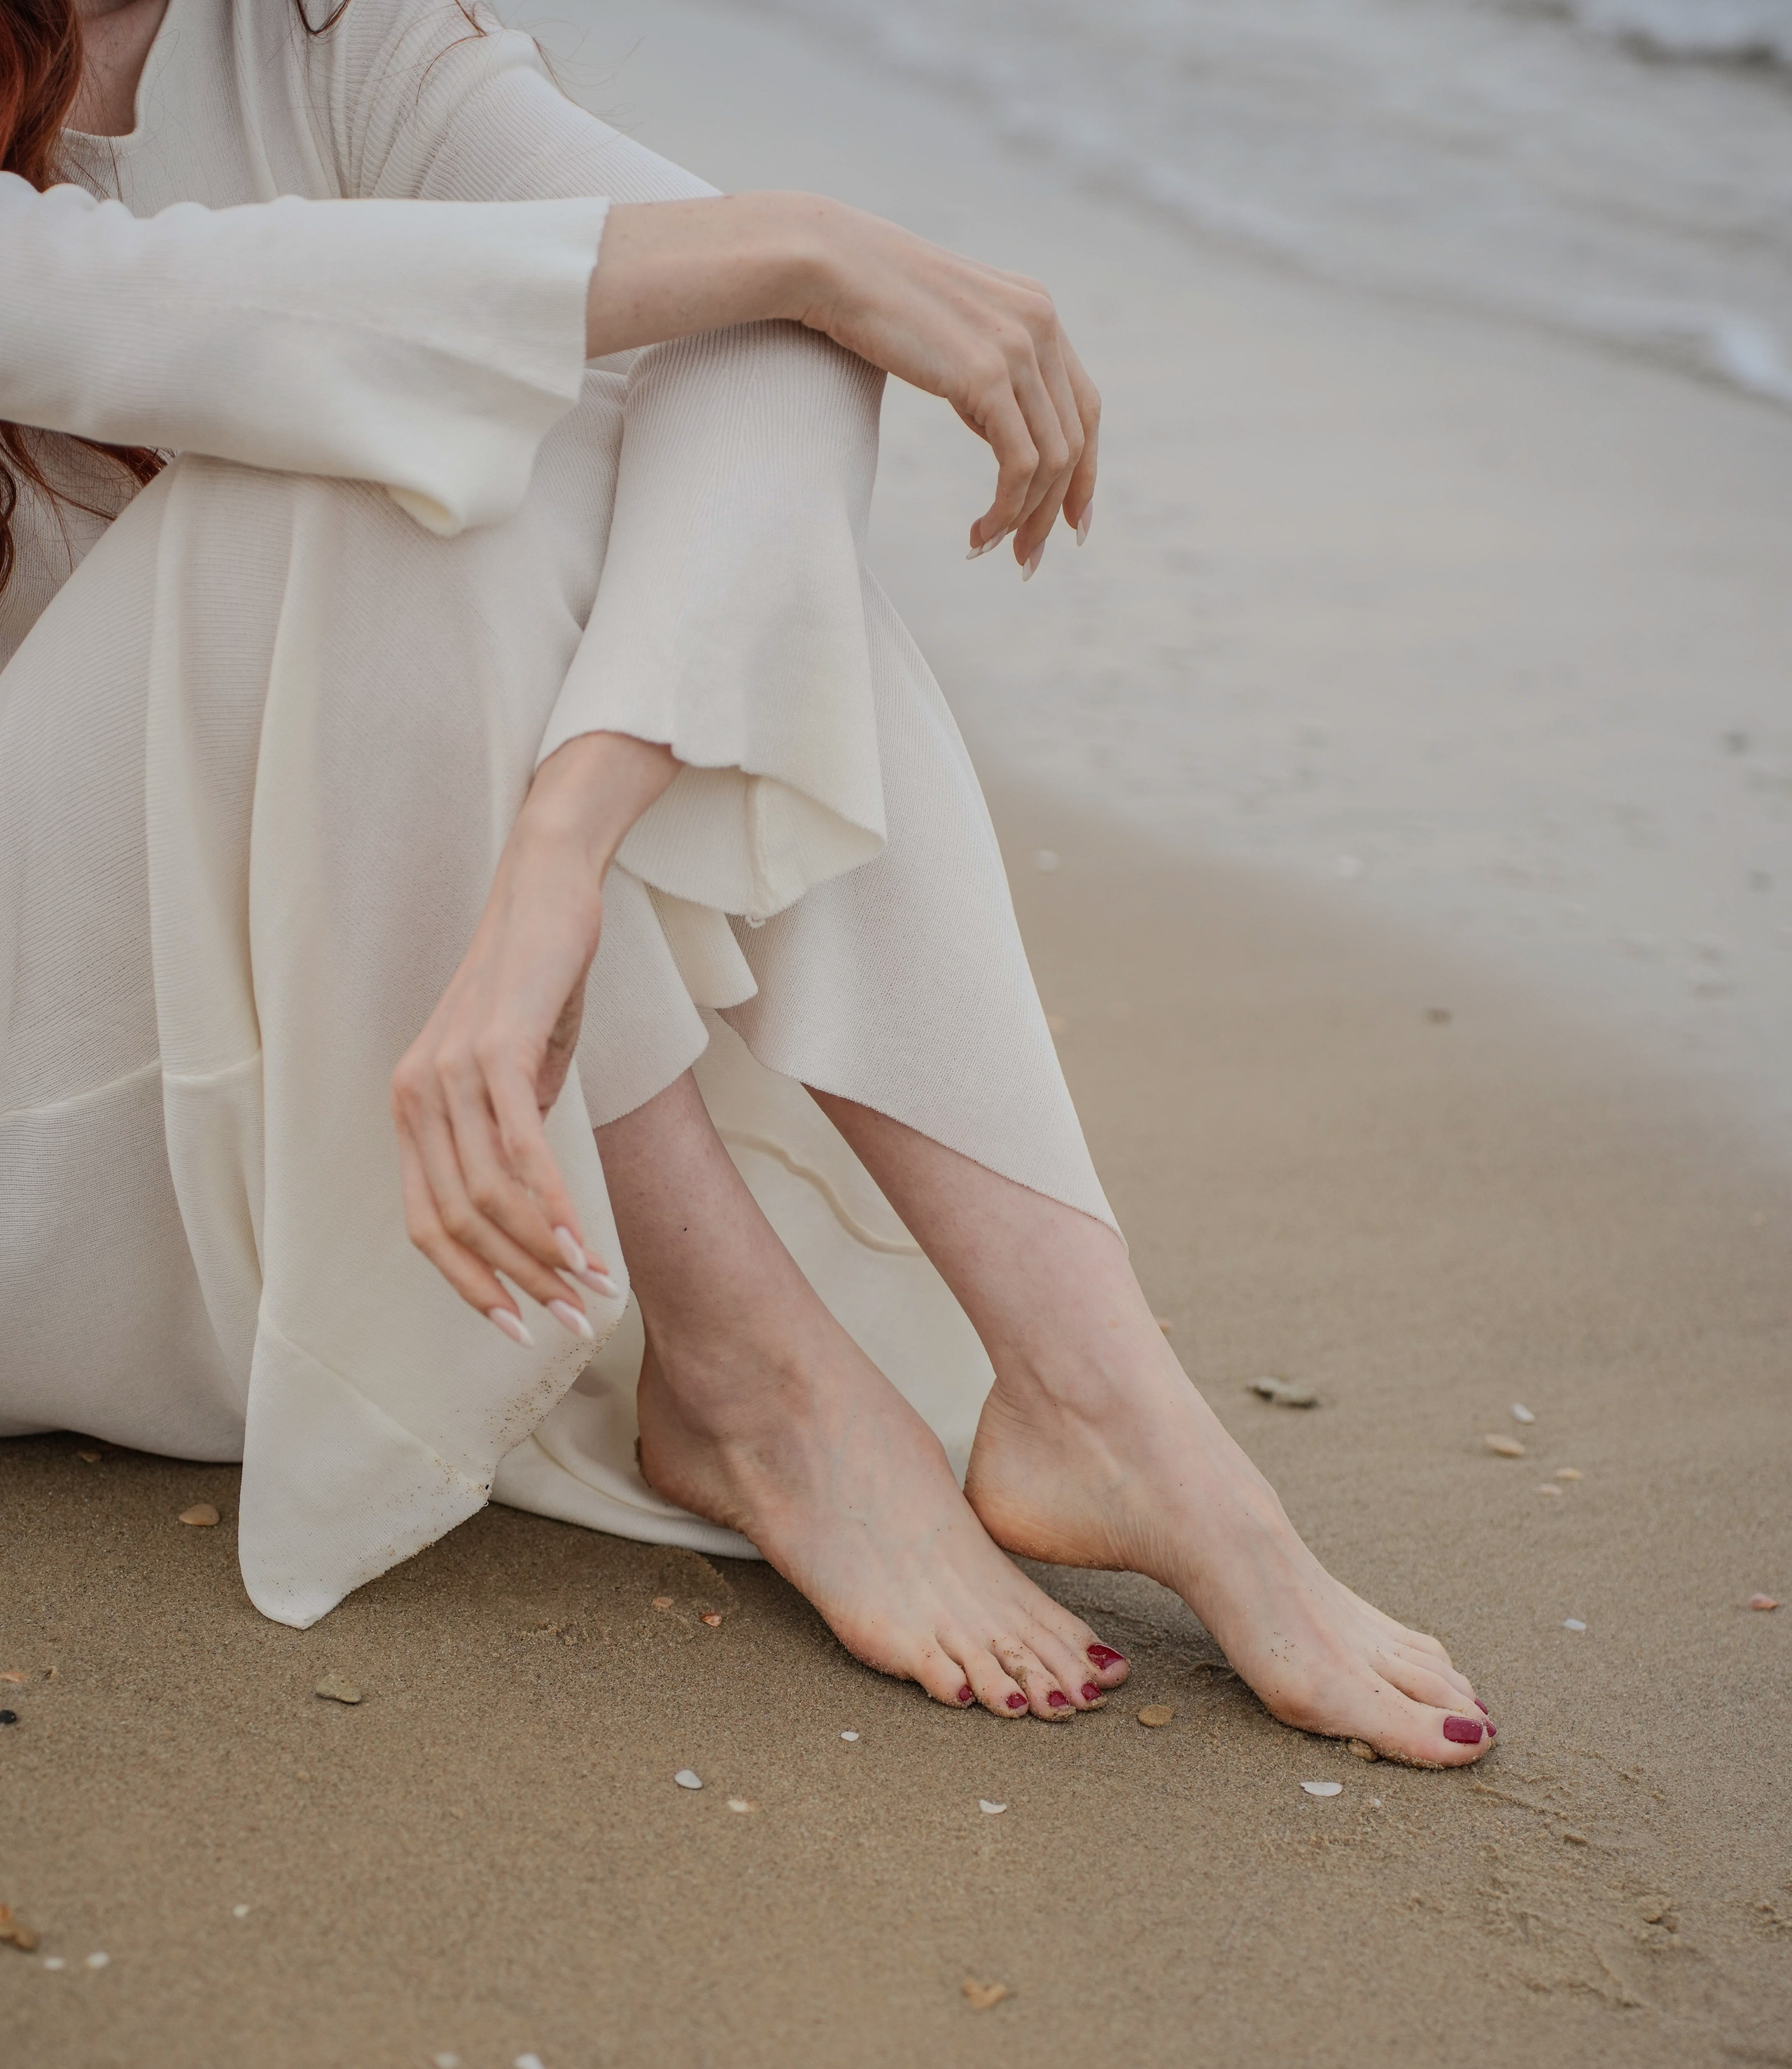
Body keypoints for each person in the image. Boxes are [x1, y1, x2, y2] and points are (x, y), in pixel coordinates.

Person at [0, 0, 1494, 1762]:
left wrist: (559, 856)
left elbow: (769, 351)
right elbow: (169, 312)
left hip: (355, 1112)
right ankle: (753, 1375)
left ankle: (1103, 1395)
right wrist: (804, 237)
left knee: (623, 426)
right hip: (68, 1139)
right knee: (379, 487)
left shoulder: (337, 37)